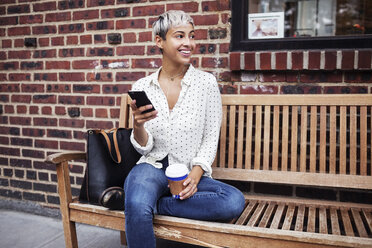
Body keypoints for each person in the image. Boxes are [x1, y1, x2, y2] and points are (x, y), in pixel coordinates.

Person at [124, 10, 245, 248]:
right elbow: (143, 146)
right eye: (180, 36)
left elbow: (211, 136)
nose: (188, 43)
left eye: (191, 36)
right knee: (137, 202)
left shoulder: (206, 83)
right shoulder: (143, 86)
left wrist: (196, 174)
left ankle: (156, 204)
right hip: (152, 167)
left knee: (232, 201)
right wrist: (138, 125)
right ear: (159, 41)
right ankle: (143, 203)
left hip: (189, 170)